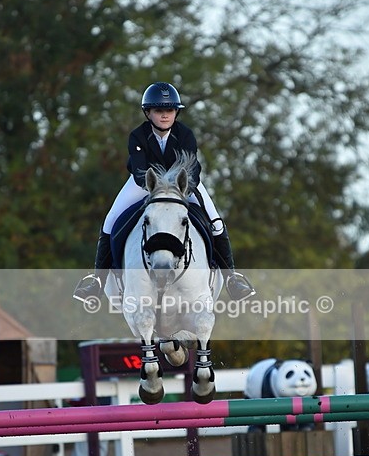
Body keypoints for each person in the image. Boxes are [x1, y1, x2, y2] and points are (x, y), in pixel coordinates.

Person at [74, 82, 255, 303]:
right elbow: (140, 169)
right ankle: (98, 281)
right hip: (145, 185)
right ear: (148, 112)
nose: (164, 115)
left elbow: (192, 169)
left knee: (215, 221)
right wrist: (155, 187)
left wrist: (181, 189)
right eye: (159, 110)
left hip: (182, 185)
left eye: (169, 110)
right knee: (110, 221)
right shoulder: (137, 136)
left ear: (176, 112)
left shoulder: (185, 135)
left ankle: (231, 279)